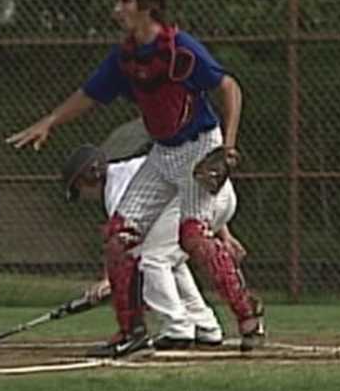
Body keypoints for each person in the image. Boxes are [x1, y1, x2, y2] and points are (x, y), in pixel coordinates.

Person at [6, 0, 265, 354]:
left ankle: (248, 316)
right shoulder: (125, 56)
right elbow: (90, 94)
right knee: (118, 236)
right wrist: (50, 122)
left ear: (149, 8)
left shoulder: (179, 49)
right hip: (163, 153)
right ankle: (132, 331)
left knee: (193, 238)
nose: (117, 10)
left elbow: (228, 87)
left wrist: (227, 146)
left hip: (198, 147)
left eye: (125, 2)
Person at [64, 142, 250, 354]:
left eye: (79, 188)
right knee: (169, 260)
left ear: (90, 176)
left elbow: (125, 246)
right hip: (219, 193)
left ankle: (177, 329)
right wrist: (223, 233)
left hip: (201, 195)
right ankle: (204, 325)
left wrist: (109, 280)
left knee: (152, 259)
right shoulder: (125, 172)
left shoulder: (117, 190)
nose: (83, 196)